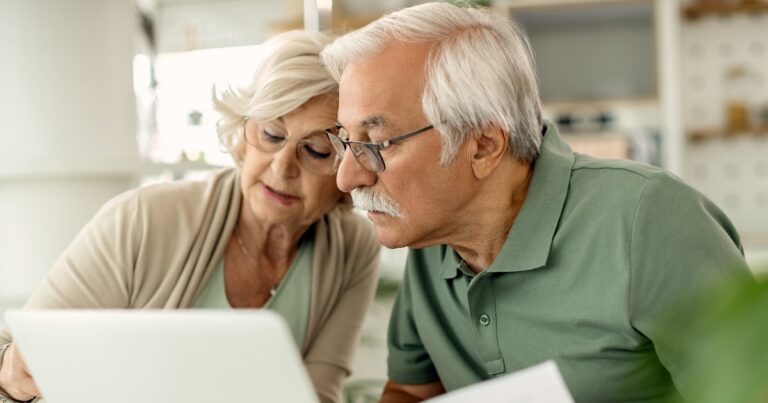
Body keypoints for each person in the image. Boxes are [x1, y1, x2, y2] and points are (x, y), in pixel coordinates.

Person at [320, 3, 753, 402]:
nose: (347, 175)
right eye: (346, 139)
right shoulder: (429, 236)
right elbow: (411, 392)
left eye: (376, 143)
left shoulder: (649, 220)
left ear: (484, 146)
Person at [0, 30, 380, 403]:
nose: (282, 168)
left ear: (348, 166)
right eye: (270, 134)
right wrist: (13, 376)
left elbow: (316, 394)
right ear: (242, 133)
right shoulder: (142, 220)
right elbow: (15, 354)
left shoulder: (353, 249)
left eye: (315, 150)